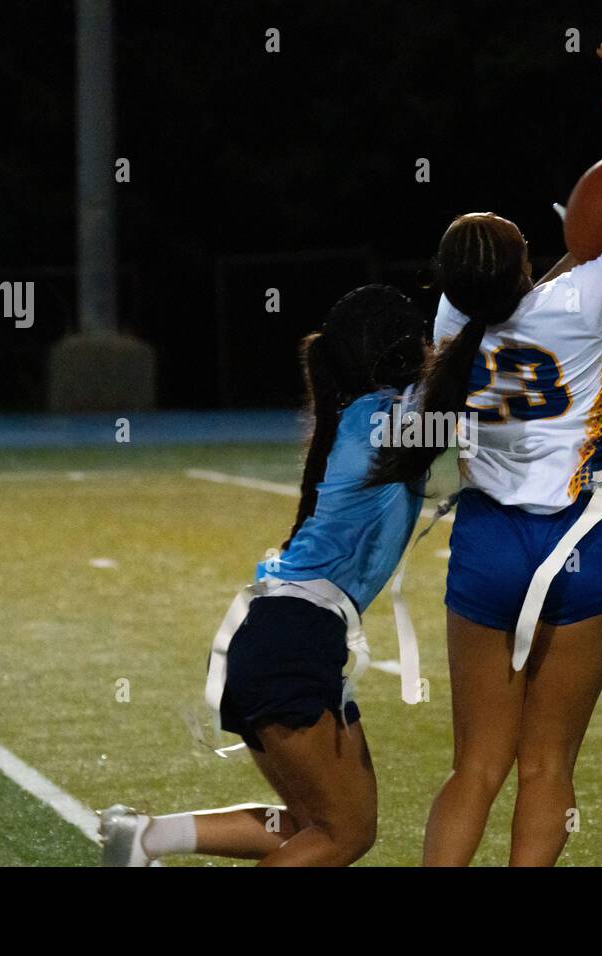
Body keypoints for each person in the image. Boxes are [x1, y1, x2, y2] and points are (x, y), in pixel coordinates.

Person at [368, 44, 602, 866]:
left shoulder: (450, 324)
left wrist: (558, 260)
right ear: (525, 263)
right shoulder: (582, 299)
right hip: (589, 536)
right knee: (547, 764)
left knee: (475, 768)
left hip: (489, 542)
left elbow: (512, 300)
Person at [100, 284, 427, 866]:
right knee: (340, 835)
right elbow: (472, 393)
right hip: (290, 642)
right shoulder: (385, 422)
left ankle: (147, 839)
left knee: (322, 825)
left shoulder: (364, 416)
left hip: (281, 635)